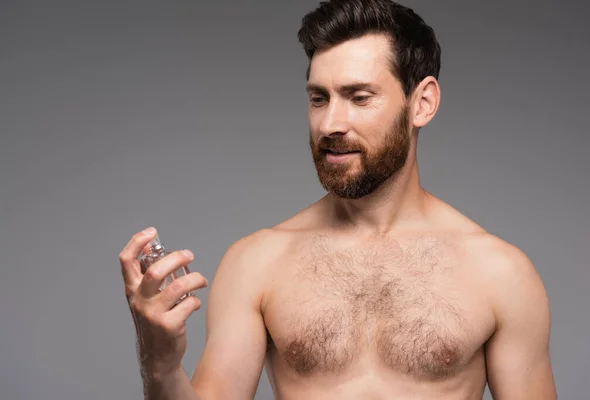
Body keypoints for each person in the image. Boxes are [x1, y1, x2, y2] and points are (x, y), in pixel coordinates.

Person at [119, 0, 557, 398]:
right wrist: (159, 363)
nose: (330, 122)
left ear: (422, 103)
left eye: (359, 97)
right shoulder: (257, 262)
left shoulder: (500, 273)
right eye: (318, 98)